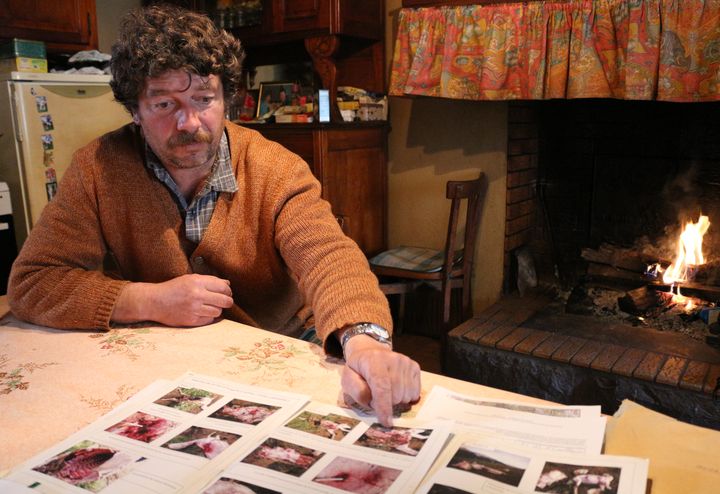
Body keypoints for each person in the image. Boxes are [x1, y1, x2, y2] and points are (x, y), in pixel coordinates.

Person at [6, 4, 420, 427]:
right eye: (164, 103)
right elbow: (33, 281)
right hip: (167, 354)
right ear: (134, 110)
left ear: (226, 100)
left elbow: (329, 257)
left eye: (204, 99)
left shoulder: (275, 167)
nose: (189, 122)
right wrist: (148, 299)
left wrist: (365, 343)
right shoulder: (97, 168)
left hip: (281, 340)